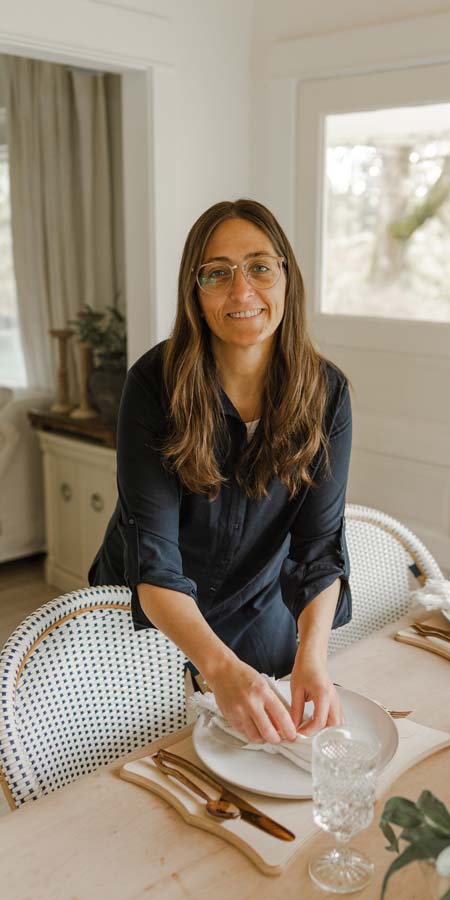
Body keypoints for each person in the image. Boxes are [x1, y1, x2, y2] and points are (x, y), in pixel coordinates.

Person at [89, 198, 352, 745]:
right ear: (196, 292)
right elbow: (155, 564)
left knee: (262, 763)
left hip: (260, 613)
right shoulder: (153, 386)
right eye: (218, 273)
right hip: (145, 616)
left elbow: (320, 550)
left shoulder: (328, 394)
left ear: (286, 277)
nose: (241, 291)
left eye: (259, 266)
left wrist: (314, 655)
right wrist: (220, 669)